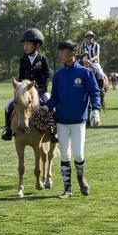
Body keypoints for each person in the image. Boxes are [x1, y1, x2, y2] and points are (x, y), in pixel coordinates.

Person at [43, 40, 101, 199]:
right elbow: (54, 97)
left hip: (78, 122)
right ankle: (67, 190)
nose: (60, 55)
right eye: (60, 52)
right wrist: (46, 107)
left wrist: (95, 110)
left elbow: (95, 93)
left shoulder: (85, 73)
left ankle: (81, 177)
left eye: (62, 51)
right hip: (61, 121)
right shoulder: (58, 75)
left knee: (78, 154)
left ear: (72, 53)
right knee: (64, 156)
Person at [1, 29, 52, 141]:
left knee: (51, 105)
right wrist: (19, 89)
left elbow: (47, 76)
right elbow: (20, 77)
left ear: (37, 45)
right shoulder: (23, 59)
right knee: (7, 105)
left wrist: (42, 89)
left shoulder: (43, 59)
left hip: (40, 91)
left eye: (28, 44)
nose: (26, 46)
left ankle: (53, 131)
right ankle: (8, 129)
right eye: (24, 44)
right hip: (24, 92)